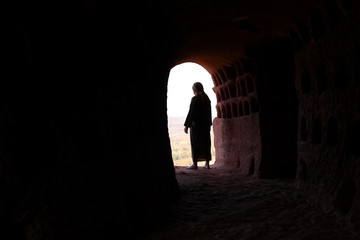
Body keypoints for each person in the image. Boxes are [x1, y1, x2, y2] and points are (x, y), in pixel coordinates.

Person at [184, 82, 212, 170]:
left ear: (194, 90)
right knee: (206, 143)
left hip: (196, 126)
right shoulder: (207, 99)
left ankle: (195, 164)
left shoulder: (195, 99)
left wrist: (187, 125)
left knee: (195, 143)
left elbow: (191, 113)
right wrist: (209, 124)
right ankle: (207, 164)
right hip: (205, 126)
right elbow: (209, 114)